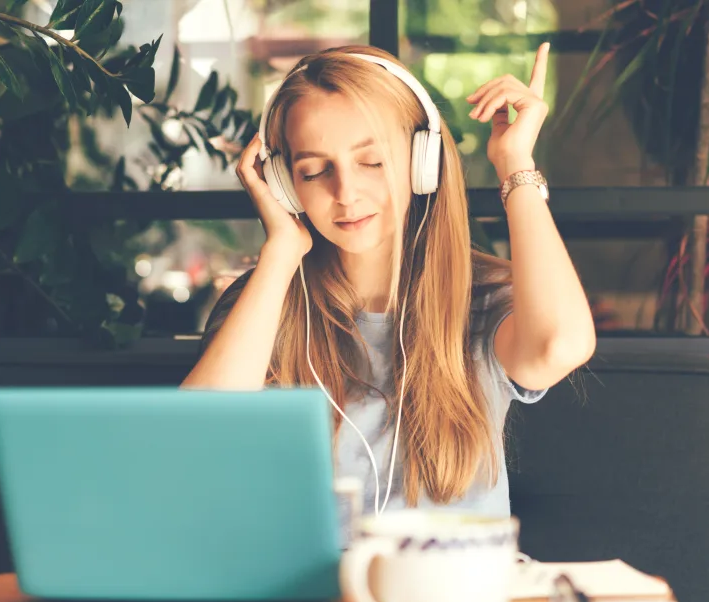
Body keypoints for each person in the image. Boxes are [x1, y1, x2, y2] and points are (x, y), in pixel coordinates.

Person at [181, 43, 596, 522]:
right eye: (314, 171)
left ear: (423, 161)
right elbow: (198, 442)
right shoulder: (266, 300)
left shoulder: (483, 298)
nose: (346, 193)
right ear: (284, 184)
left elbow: (559, 346)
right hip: (304, 593)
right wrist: (281, 253)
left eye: (371, 162)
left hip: (447, 589)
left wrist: (515, 162)